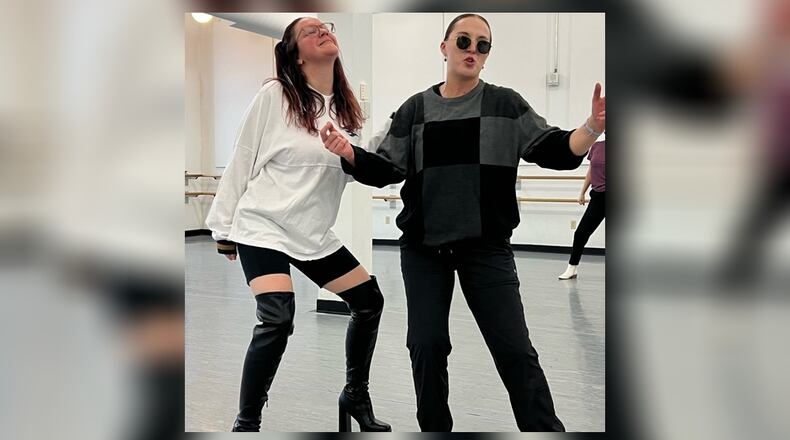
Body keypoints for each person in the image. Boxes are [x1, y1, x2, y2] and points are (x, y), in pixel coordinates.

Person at [321, 13, 605, 432]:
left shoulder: (505, 104)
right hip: (424, 249)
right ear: (445, 47)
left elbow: (555, 149)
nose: (473, 50)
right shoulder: (415, 109)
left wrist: (591, 127)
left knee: (514, 350)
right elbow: (385, 167)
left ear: (487, 56)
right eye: (464, 41)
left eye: (483, 45)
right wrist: (349, 152)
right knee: (427, 345)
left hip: (486, 248)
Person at [205, 17, 391, 432]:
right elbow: (243, 156)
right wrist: (222, 229)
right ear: (295, 53)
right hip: (262, 225)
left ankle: (354, 396)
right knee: (277, 317)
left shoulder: (346, 110)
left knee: (369, 300)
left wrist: (355, 152)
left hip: (312, 233)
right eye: (310, 31)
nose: (323, 31)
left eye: (326, 26)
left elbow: (356, 168)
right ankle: (246, 423)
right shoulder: (276, 96)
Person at [559, 139, 606, 280]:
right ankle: (572, 268)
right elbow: (591, 171)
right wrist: (582, 192)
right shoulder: (596, 147)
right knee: (581, 233)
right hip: (598, 197)